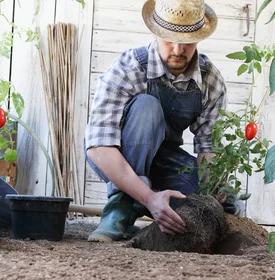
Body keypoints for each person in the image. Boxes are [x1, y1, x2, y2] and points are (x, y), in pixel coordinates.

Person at [84, 0, 231, 242]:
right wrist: (151, 198)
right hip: (114, 154)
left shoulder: (210, 79)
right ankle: (120, 207)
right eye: (168, 38)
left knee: (214, 203)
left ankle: (140, 205)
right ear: (155, 32)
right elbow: (99, 147)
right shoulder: (129, 67)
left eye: (186, 42)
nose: (177, 49)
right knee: (147, 106)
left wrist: (212, 188)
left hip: (164, 159)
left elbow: (209, 147)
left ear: (199, 37)